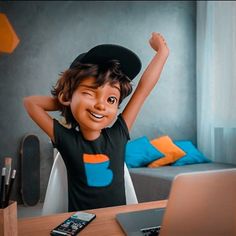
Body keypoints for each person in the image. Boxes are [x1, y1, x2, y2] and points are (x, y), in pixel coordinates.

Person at [23, 32, 169, 211]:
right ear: (68, 95)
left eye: (111, 100)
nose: (101, 106)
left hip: (117, 219)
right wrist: (67, 100)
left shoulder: (119, 133)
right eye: (90, 93)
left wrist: (162, 53)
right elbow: (30, 103)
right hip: (82, 223)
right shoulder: (66, 139)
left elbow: (143, 89)